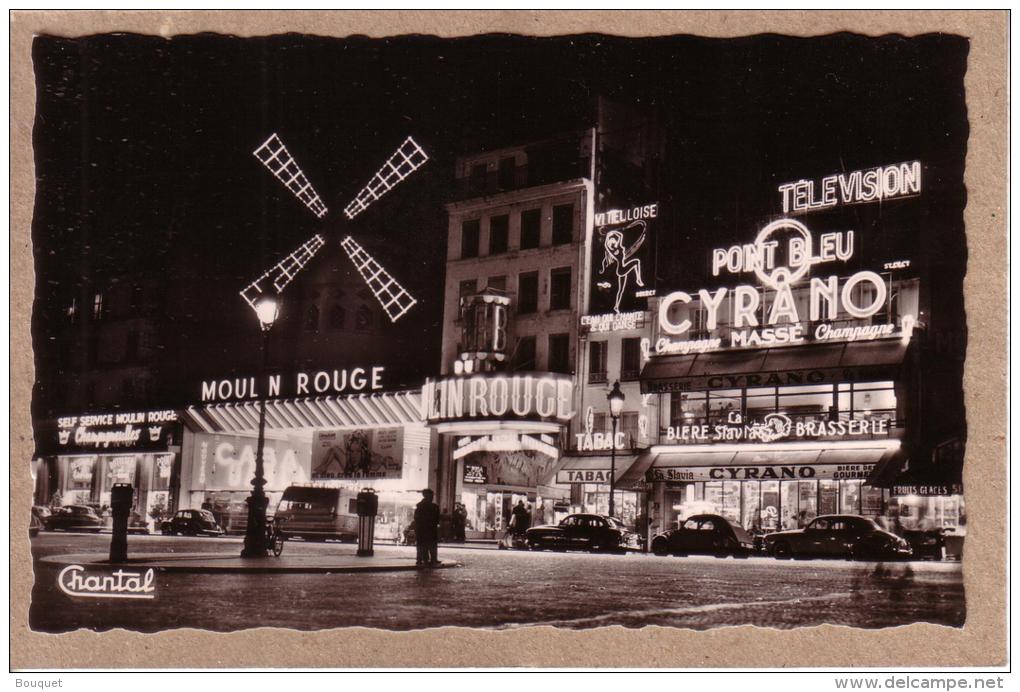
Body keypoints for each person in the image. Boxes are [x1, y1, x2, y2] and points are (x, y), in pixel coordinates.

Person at [413, 488, 441, 566]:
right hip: (429, 528)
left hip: (423, 528)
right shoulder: (433, 507)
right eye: (431, 495)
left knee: (423, 544)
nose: (432, 497)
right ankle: (429, 559)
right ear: (427, 496)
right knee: (429, 544)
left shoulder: (420, 506)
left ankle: (424, 559)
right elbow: (437, 519)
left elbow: (416, 517)